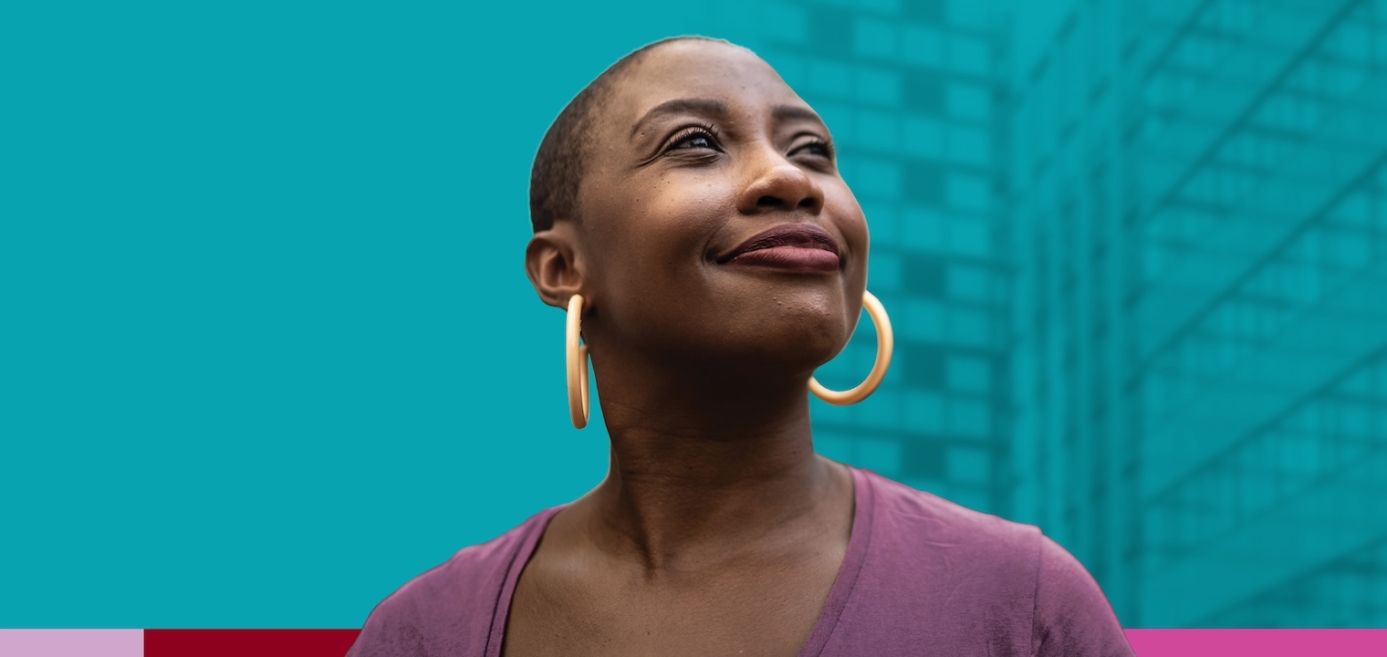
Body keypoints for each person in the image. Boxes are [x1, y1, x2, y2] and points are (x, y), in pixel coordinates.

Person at [346, 36, 1136, 657]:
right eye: (694, 142)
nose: (792, 181)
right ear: (561, 267)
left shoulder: (1020, 601)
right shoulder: (424, 631)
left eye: (813, 152)